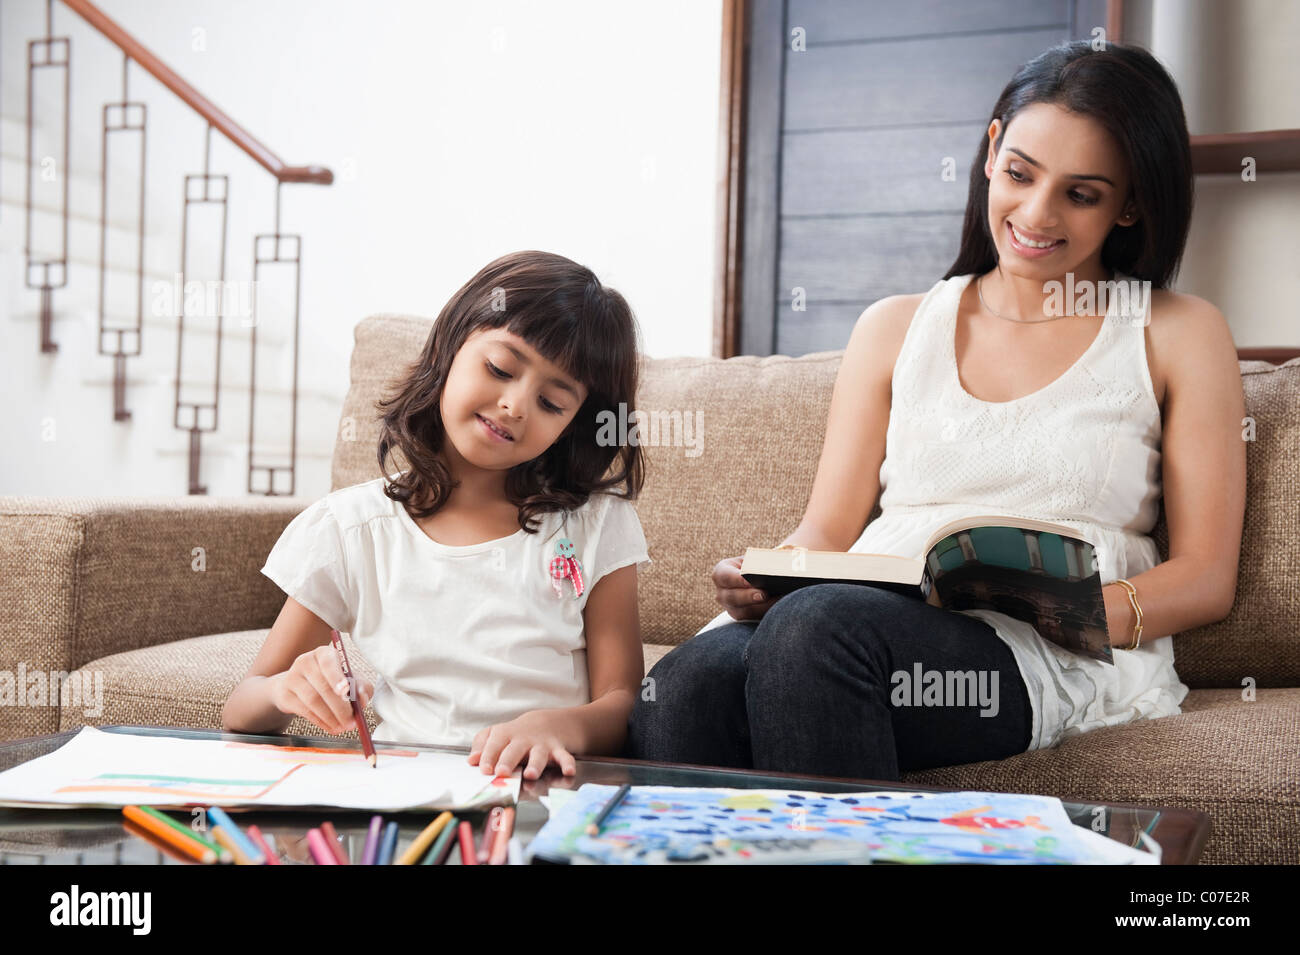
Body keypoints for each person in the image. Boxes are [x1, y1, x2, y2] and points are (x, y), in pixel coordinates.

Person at [627, 41, 1246, 780]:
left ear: (1131, 203)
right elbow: (827, 528)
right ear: (991, 151)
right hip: (857, 614)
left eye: (1081, 194)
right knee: (683, 687)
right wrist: (766, 575)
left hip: (1039, 647)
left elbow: (1207, 575)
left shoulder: (1175, 330)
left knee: (815, 634)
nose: (1036, 214)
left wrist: (1066, 610)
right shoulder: (894, 326)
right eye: (1020, 173)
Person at [223, 250, 652, 782]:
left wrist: (560, 726)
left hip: (542, 794)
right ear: (451, 346)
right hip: (404, 795)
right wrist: (283, 691)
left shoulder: (595, 526)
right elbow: (241, 709)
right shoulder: (352, 529)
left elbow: (621, 701)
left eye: (551, 403)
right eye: (500, 368)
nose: (516, 405)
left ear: (574, 424)